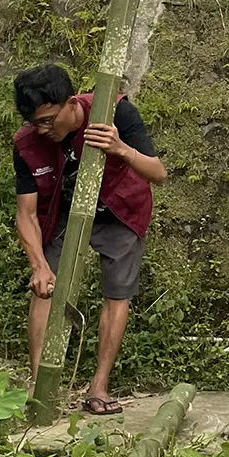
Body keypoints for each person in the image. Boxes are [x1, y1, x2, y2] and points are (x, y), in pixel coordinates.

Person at [12, 64, 167, 415]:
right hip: (64, 210)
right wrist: (38, 265)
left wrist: (120, 148)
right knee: (44, 286)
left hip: (120, 208)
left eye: (49, 119)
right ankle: (41, 387)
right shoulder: (27, 143)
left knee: (117, 292)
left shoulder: (115, 111)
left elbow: (158, 173)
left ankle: (99, 386)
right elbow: (26, 212)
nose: (43, 129)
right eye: (35, 122)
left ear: (70, 103)